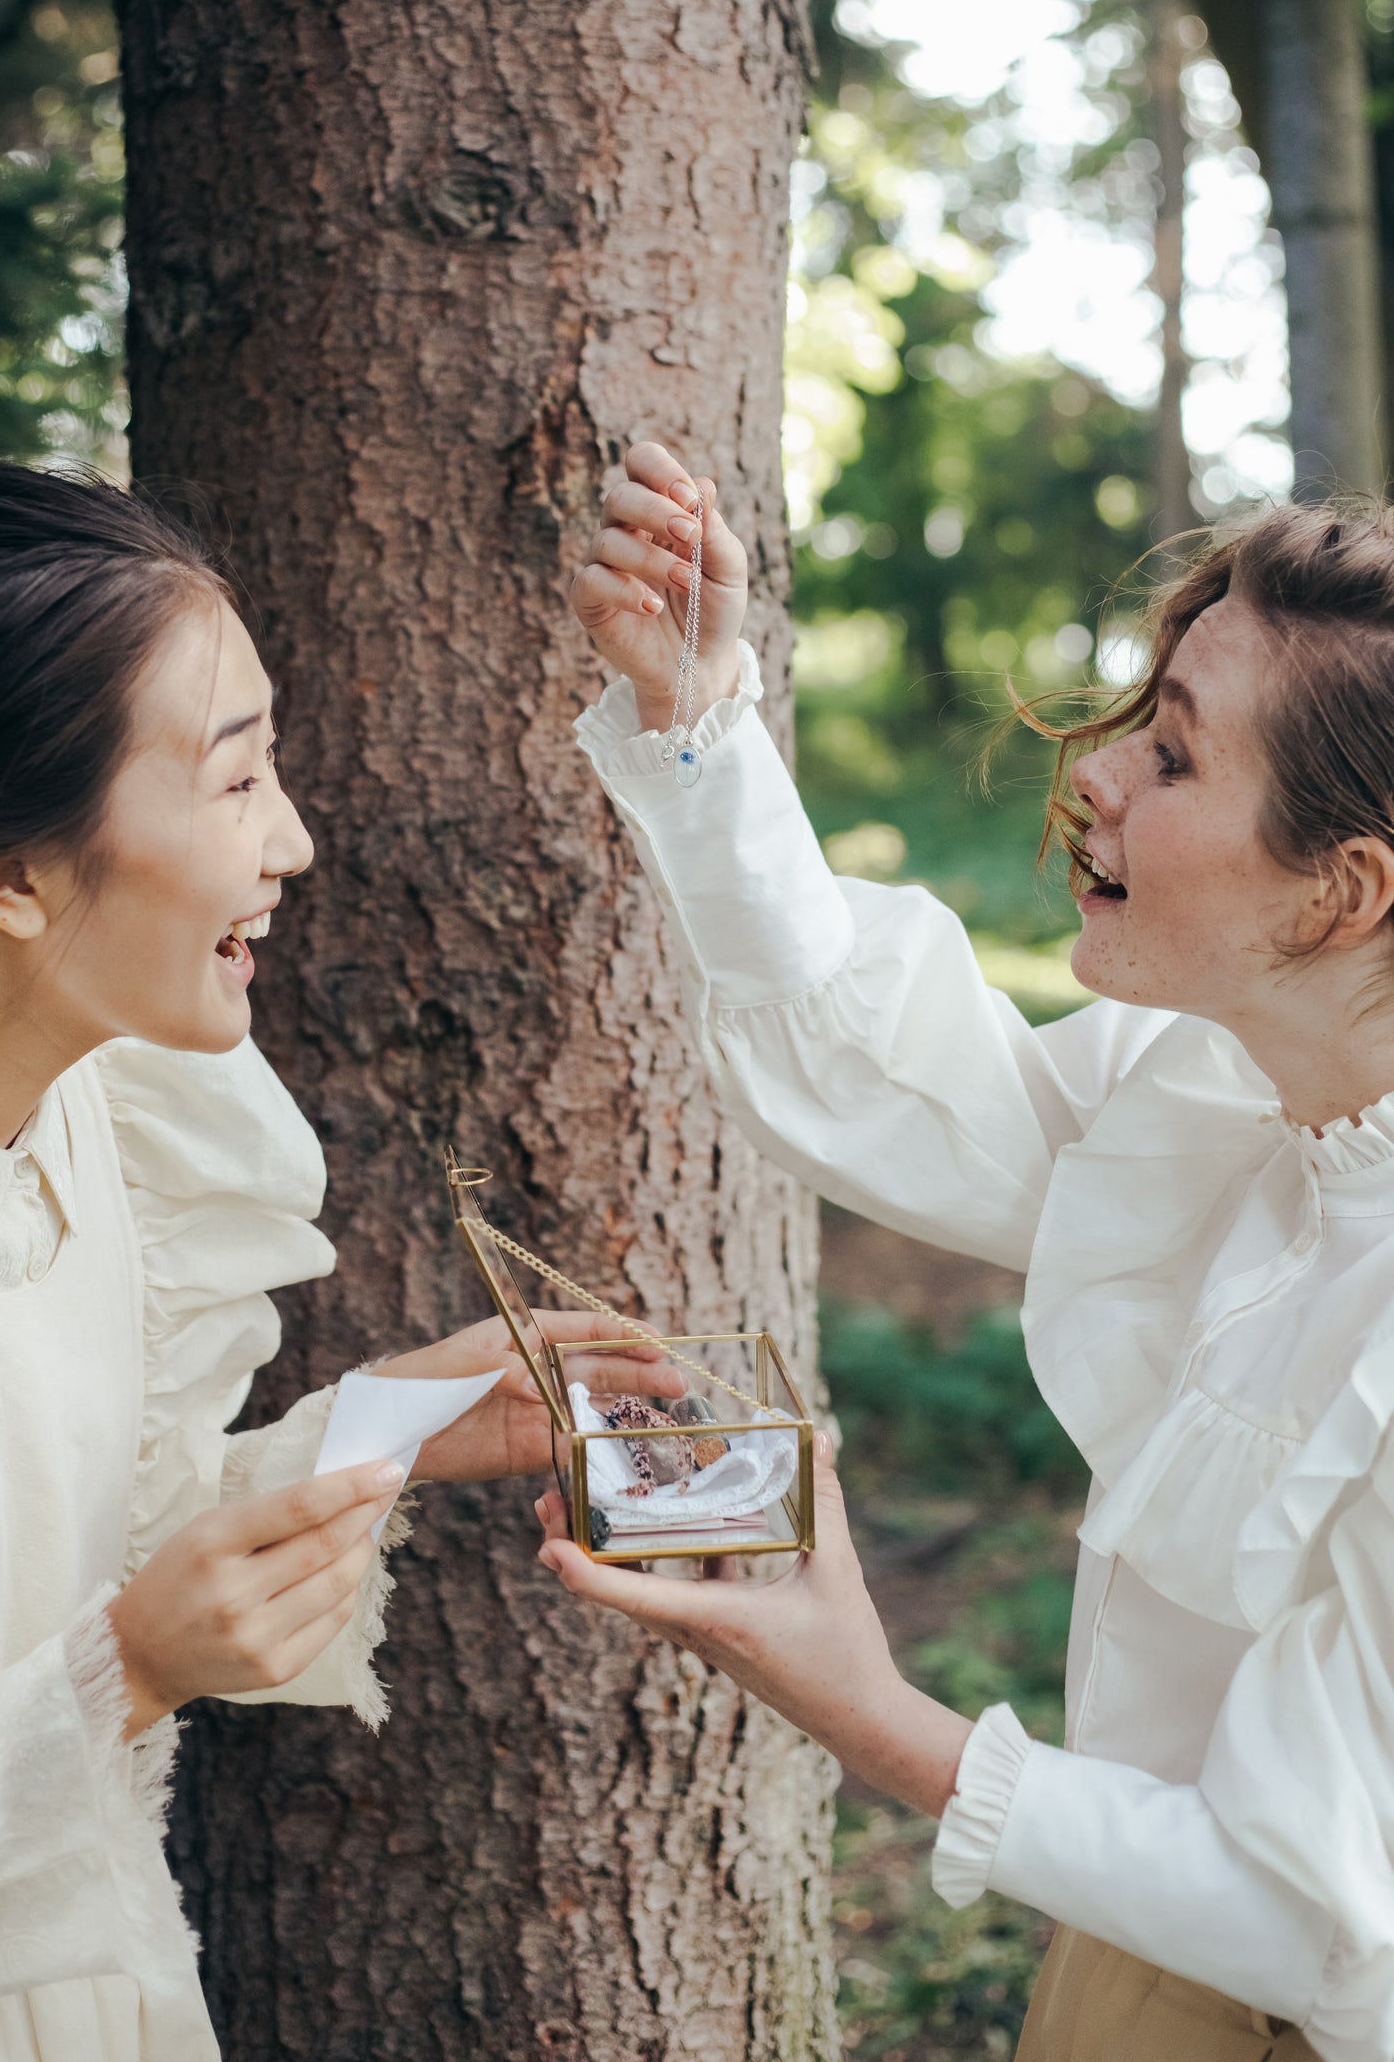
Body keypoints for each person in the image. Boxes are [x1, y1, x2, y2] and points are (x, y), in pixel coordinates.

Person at [542, 440, 1394, 2062]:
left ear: (1343, 891)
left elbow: (1325, 1920)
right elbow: (902, 1089)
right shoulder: (1221, 1087)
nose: (1096, 778)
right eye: (1137, 727)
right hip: (1133, 1956)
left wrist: (869, 1710)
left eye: (1175, 760)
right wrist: (701, 707)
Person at [0, 459, 681, 2061]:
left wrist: (378, 1429)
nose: (290, 839)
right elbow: (93, 1639)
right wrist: (130, 1671)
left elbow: (72, 1559)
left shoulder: (108, 1120)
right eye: (230, 784)